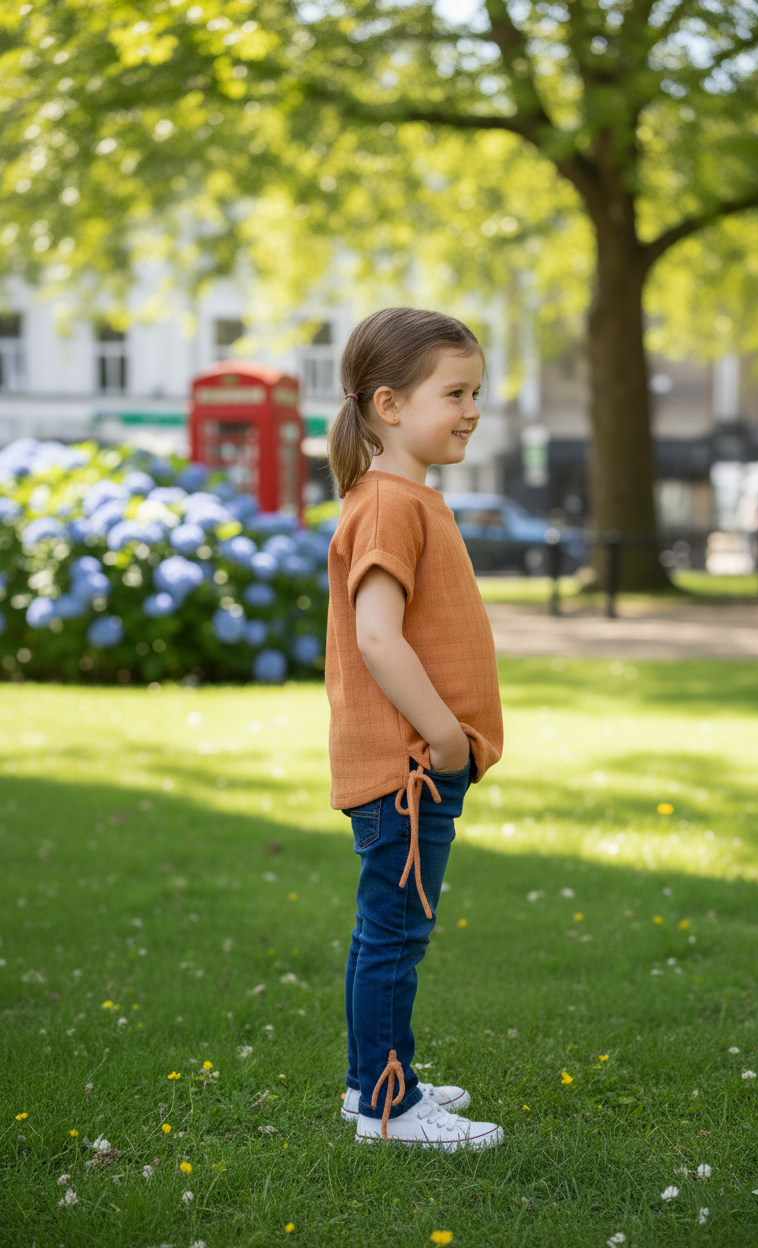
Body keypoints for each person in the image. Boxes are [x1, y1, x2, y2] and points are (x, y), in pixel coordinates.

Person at [325, 307, 504, 1151]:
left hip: (419, 764)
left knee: (386, 931)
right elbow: (376, 635)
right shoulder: (391, 505)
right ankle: (389, 1109)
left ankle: (375, 1084)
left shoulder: (404, 497)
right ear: (390, 405)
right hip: (410, 767)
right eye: (456, 392)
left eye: (478, 392)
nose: (473, 409)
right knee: (396, 935)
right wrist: (442, 738)